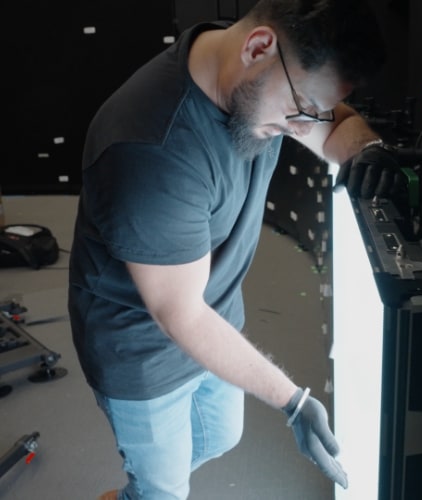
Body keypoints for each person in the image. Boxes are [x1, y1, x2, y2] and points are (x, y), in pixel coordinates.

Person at [67, 1, 399, 498]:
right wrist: (293, 401)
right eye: (302, 106)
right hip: (142, 351)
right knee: (163, 490)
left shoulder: (254, 73)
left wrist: (367, 148)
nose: (304, 127)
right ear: (258, 47)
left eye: (316, 110)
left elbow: (335, 124)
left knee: (220, 436)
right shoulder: (148, 149)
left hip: (216, 316)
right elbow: (181, 315)